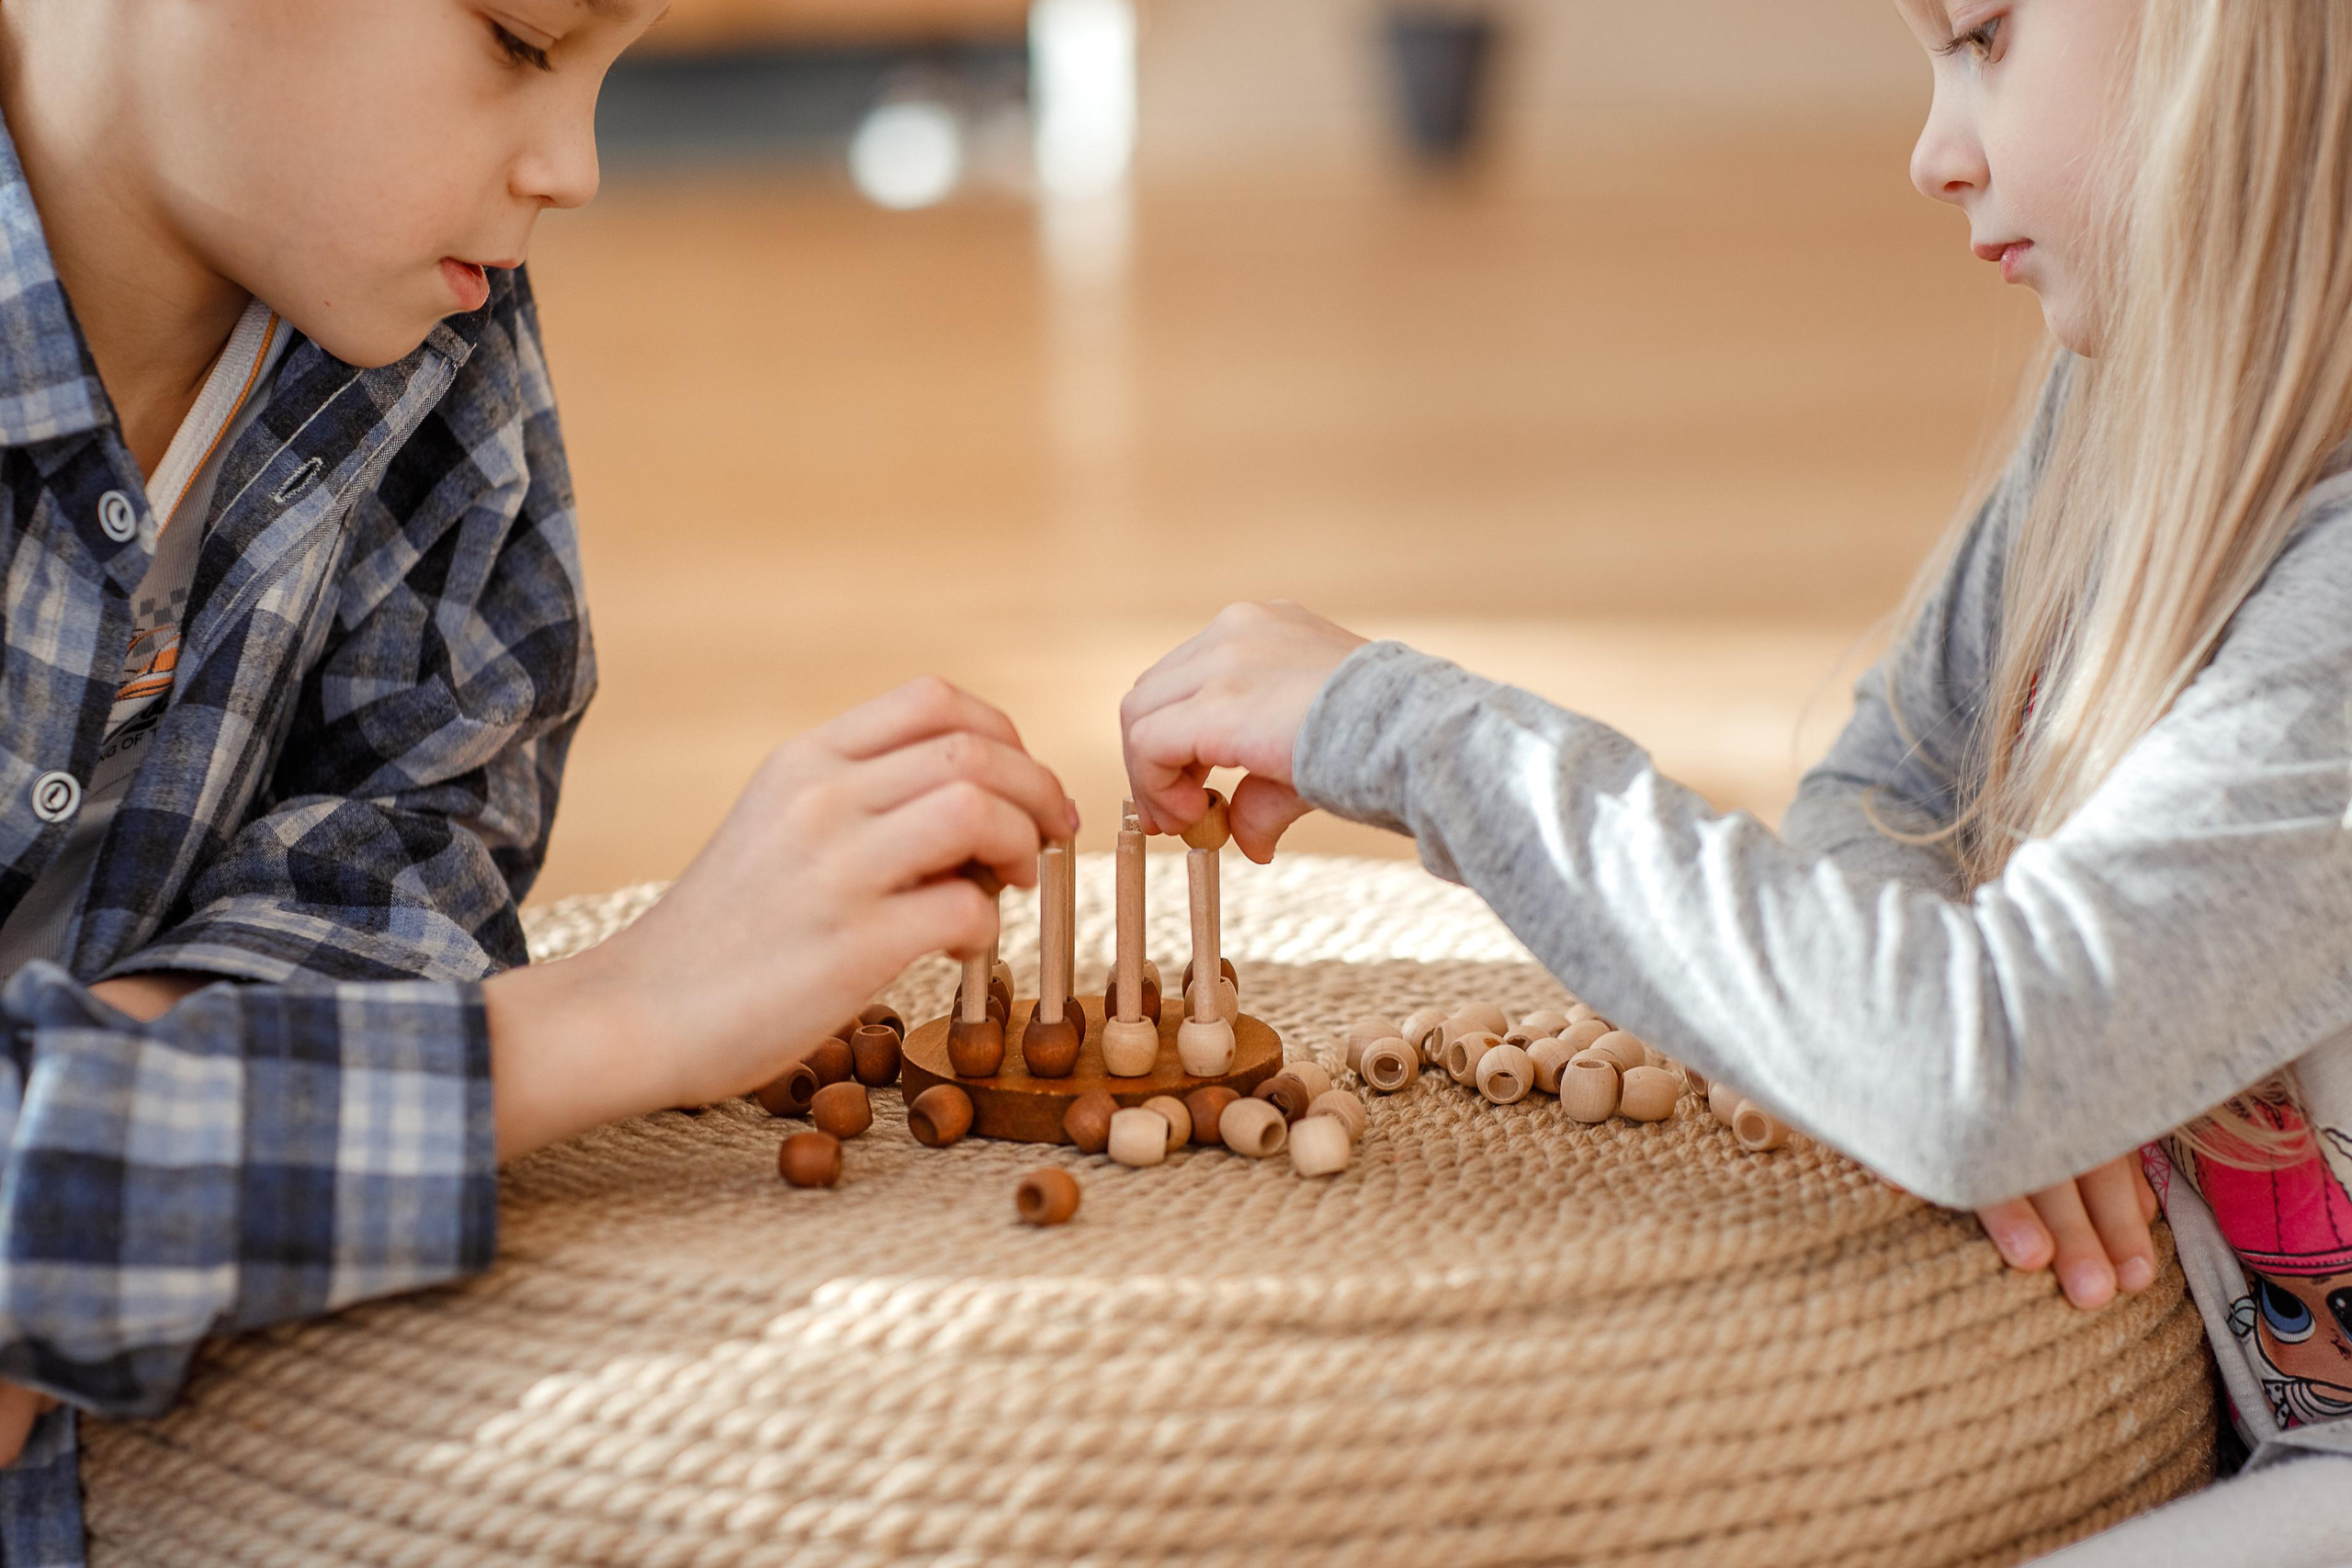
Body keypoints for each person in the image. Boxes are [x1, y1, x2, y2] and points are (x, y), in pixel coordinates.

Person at [1119, 2, 2352, 1558]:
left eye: (1981, 38)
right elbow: (1890, 777)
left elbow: (1973, 1069)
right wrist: (2051, 1049)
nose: (1931, 152)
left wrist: (1415, 735)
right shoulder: (2122, 409)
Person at [0, 2, 1071, 1559]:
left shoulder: (426, 341)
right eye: (518, 39)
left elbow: (409, 853)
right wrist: (610, 1018)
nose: (574, 166)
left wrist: (64, 1226)